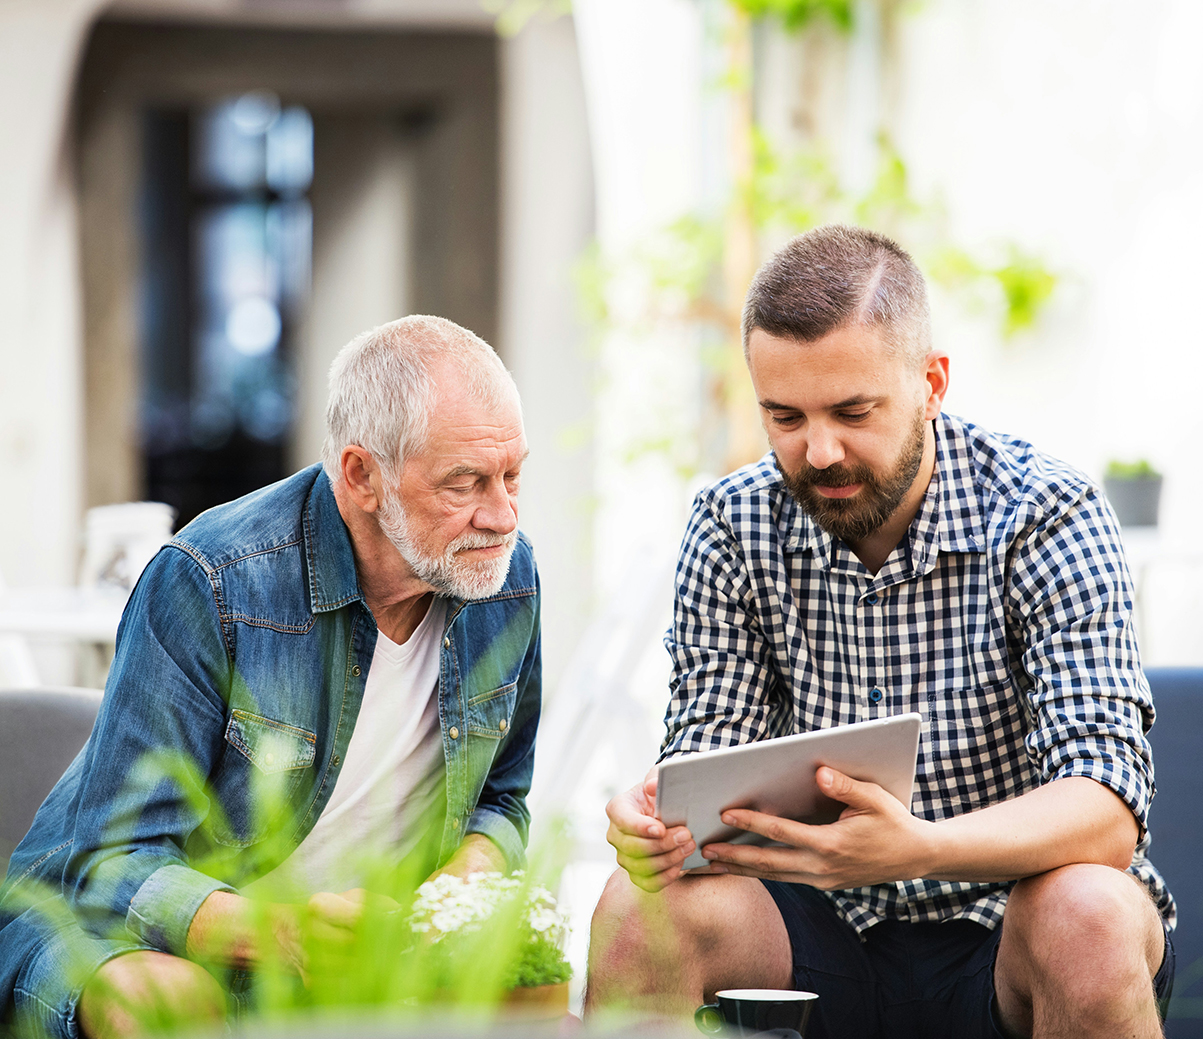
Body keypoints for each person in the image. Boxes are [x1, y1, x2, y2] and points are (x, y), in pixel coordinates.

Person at [588, 226, 1174, 1039]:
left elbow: (1105, 806)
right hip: (815, 932)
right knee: (636, 909)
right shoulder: (730, 523)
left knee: (1088, 911)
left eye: (852, 411)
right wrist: (660, 825)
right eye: (783, 416)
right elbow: (711, 775)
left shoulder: (1047, 512)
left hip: (1008, 924)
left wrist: (918, 846)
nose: (818, 450)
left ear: (931, 383)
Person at [0, 315, 542, 1039]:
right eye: (465, 482)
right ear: (362, 475)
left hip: (350, 954)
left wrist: (457, 886)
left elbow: (501, 800)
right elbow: (109, 863)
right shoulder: (213, 580)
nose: (502, 514)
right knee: (168, 1003)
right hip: (110, 934)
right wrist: (274, 932)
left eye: (512, 475)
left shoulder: (503, 576)